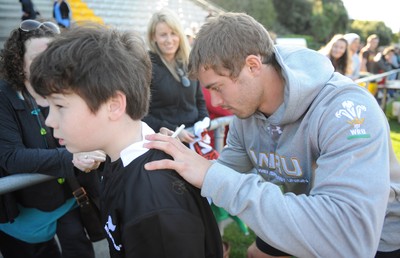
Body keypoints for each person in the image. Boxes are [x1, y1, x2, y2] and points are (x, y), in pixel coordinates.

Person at [143, 12, 400, 257]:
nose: (217, 102)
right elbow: (223, 173)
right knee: (257, 254)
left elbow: (348, 241)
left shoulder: (346, 111)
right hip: (303, 208)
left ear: (253, 65)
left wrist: (214, 176)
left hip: (378, 238)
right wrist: (179, 158)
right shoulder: (247, 113)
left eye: (218, 88)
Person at [29, 24, 223, 258]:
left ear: (114, 106)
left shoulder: (155, 206)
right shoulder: (119, 161)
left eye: (59, 105)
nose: (49, 120)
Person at [0, 19, 105, 258]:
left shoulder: (66, 87)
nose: (46, 66)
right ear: (19, 62)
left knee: (79, 249)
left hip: (67, 199)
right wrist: (71, 158)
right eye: (37, 59)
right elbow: (10, 156)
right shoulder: (3, 96)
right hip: (21, 211)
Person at [143, 8, 210, 145]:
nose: (169, 40)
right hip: (165, 143)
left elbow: (199, 101)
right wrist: (174, 130)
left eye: (173, 33)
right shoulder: (146, 66)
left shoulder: (188, 62)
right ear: (153, 37)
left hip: (194, 140)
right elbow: (141, 115)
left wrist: (204, 122)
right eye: (163, 35)